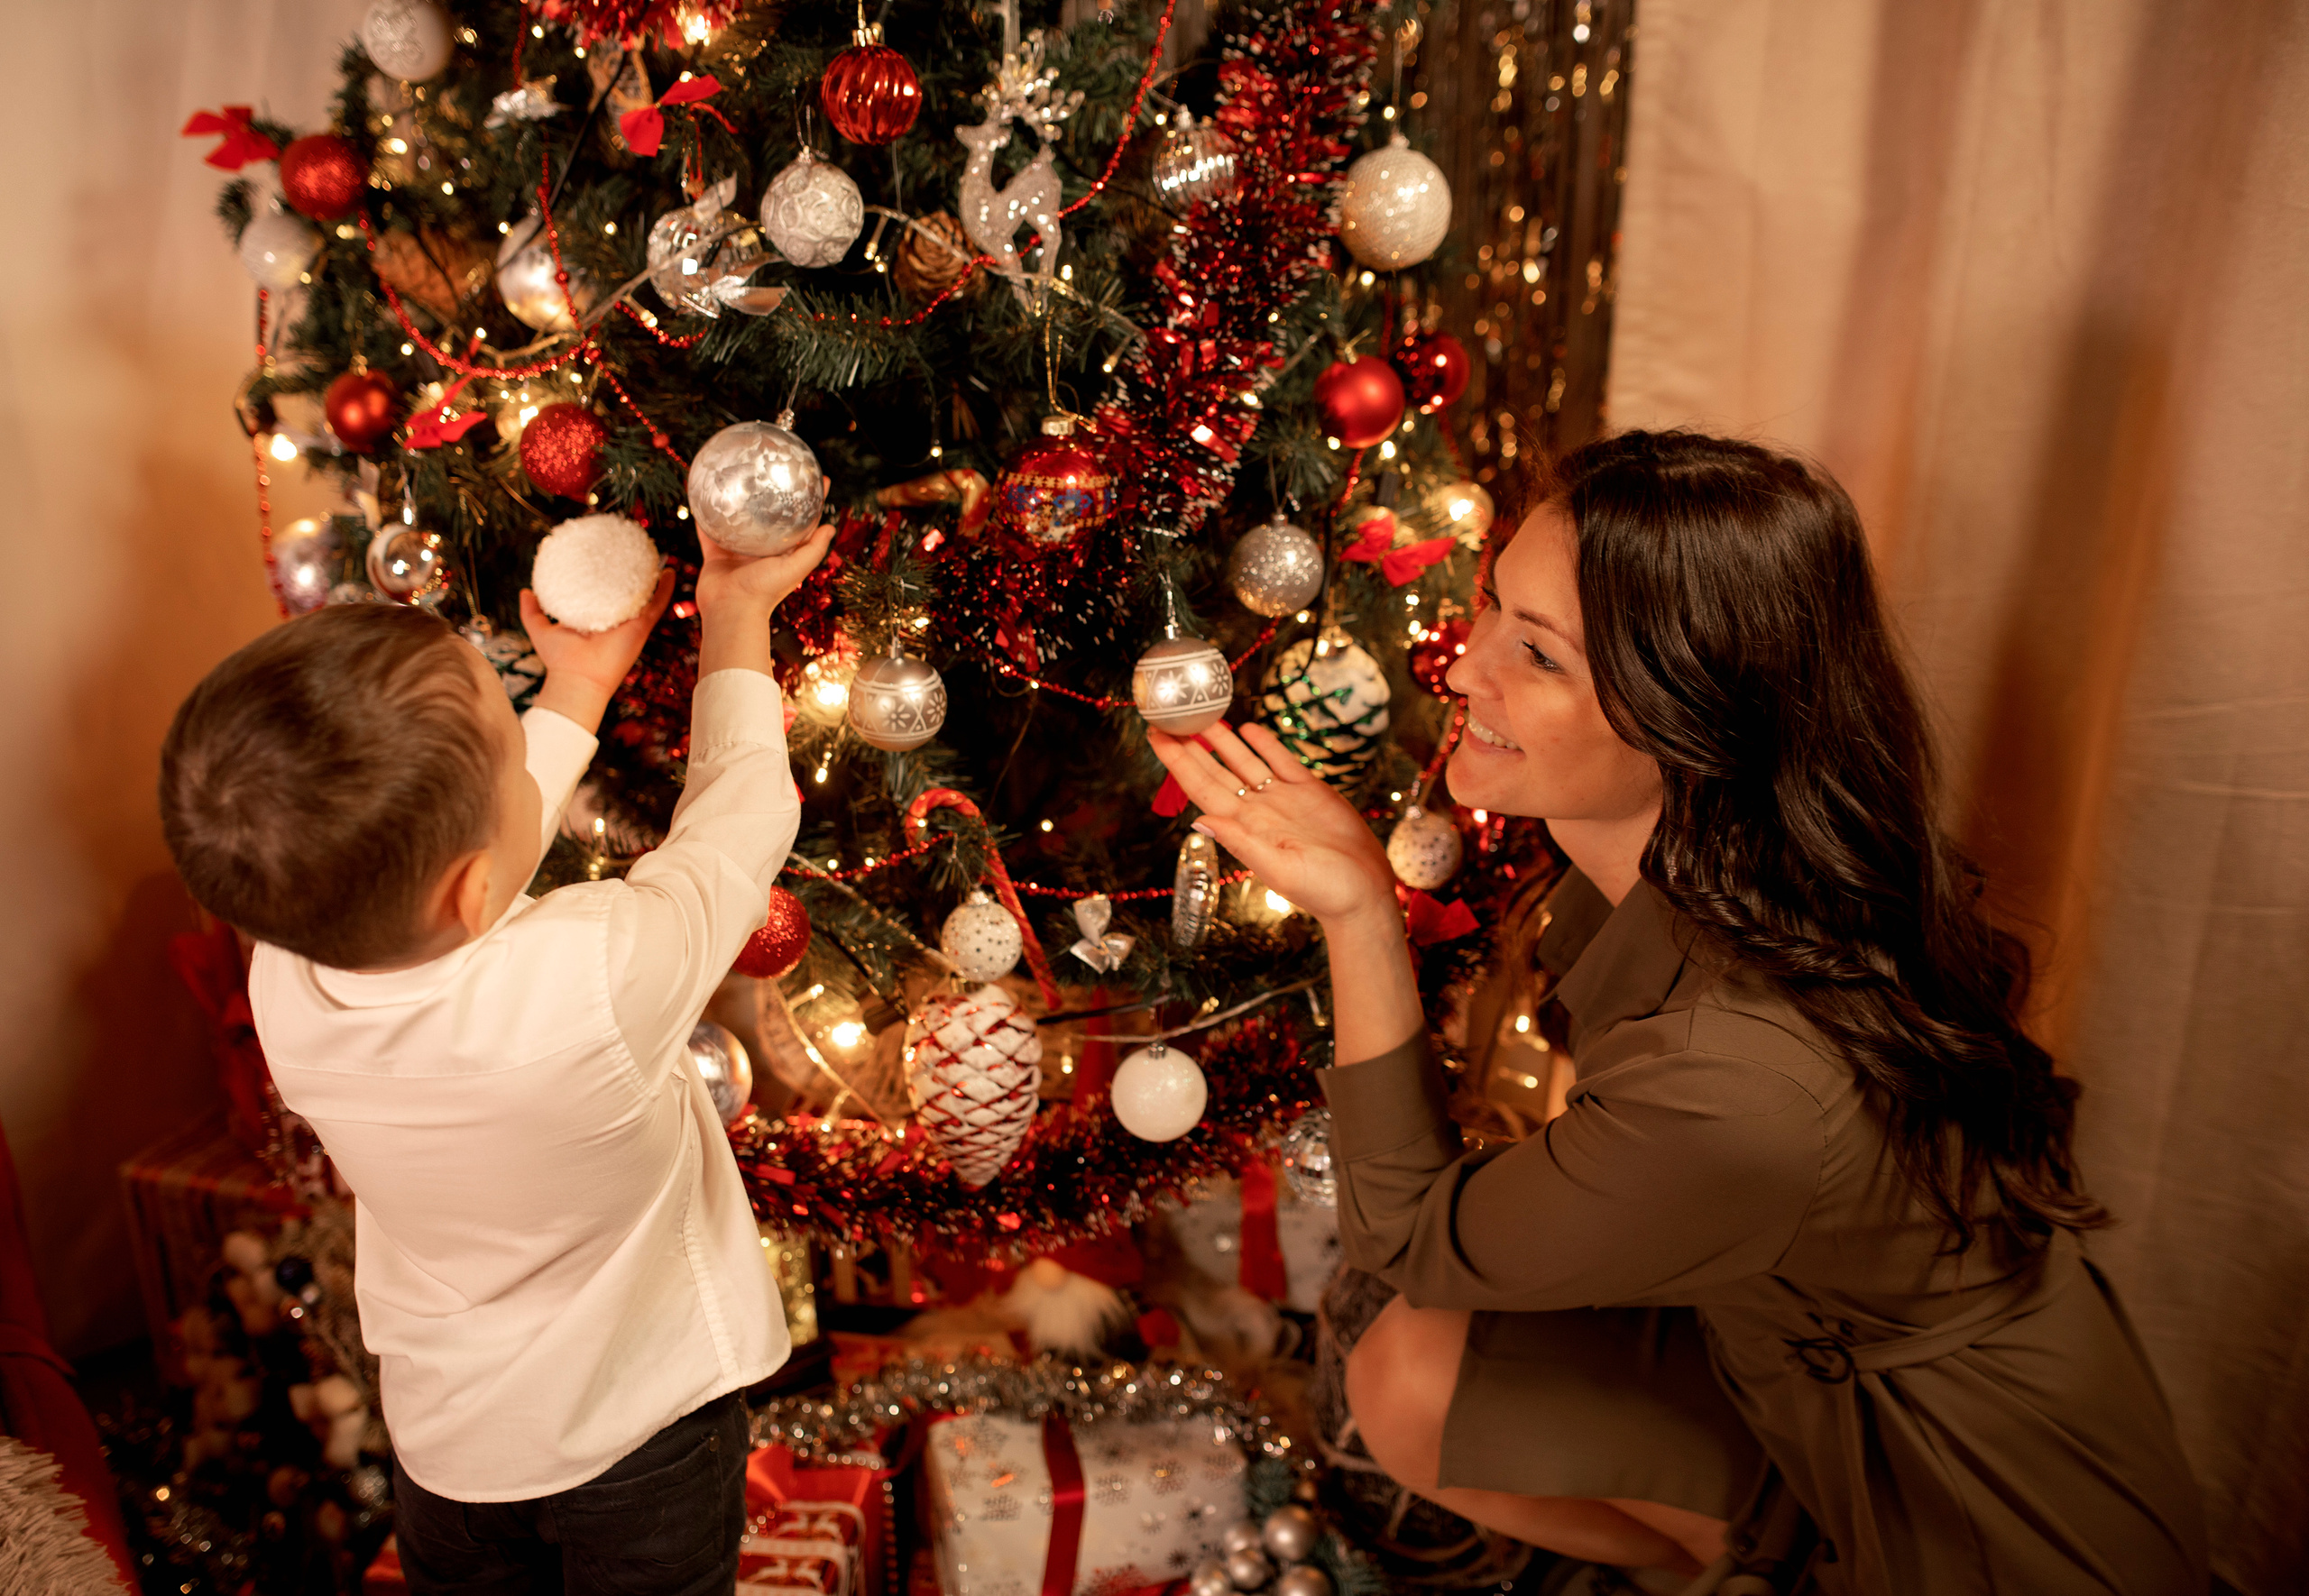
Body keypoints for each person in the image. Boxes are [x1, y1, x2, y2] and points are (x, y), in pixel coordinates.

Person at [1147, 432, 2208, 1595]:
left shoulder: (1737, 1077)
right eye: (1494, 609)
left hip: (1983, 1520)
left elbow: (1411, 1239)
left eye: (1537, 656)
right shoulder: (1727, 873)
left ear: (1686, 713)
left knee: (1418, 1328)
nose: (1461, 670)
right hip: (1791, 1378)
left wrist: (1358, 913)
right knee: (1412, 1372)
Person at [159, 521, 833, 1594]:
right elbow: (737, 825)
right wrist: (738, 614)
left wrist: (573, 691)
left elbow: (456, 880)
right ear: (476, 888)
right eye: (510, 751)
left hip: (452, 1450)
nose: (527, 754)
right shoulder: (600, 974)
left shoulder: (286, 975)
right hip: (646, 1442)